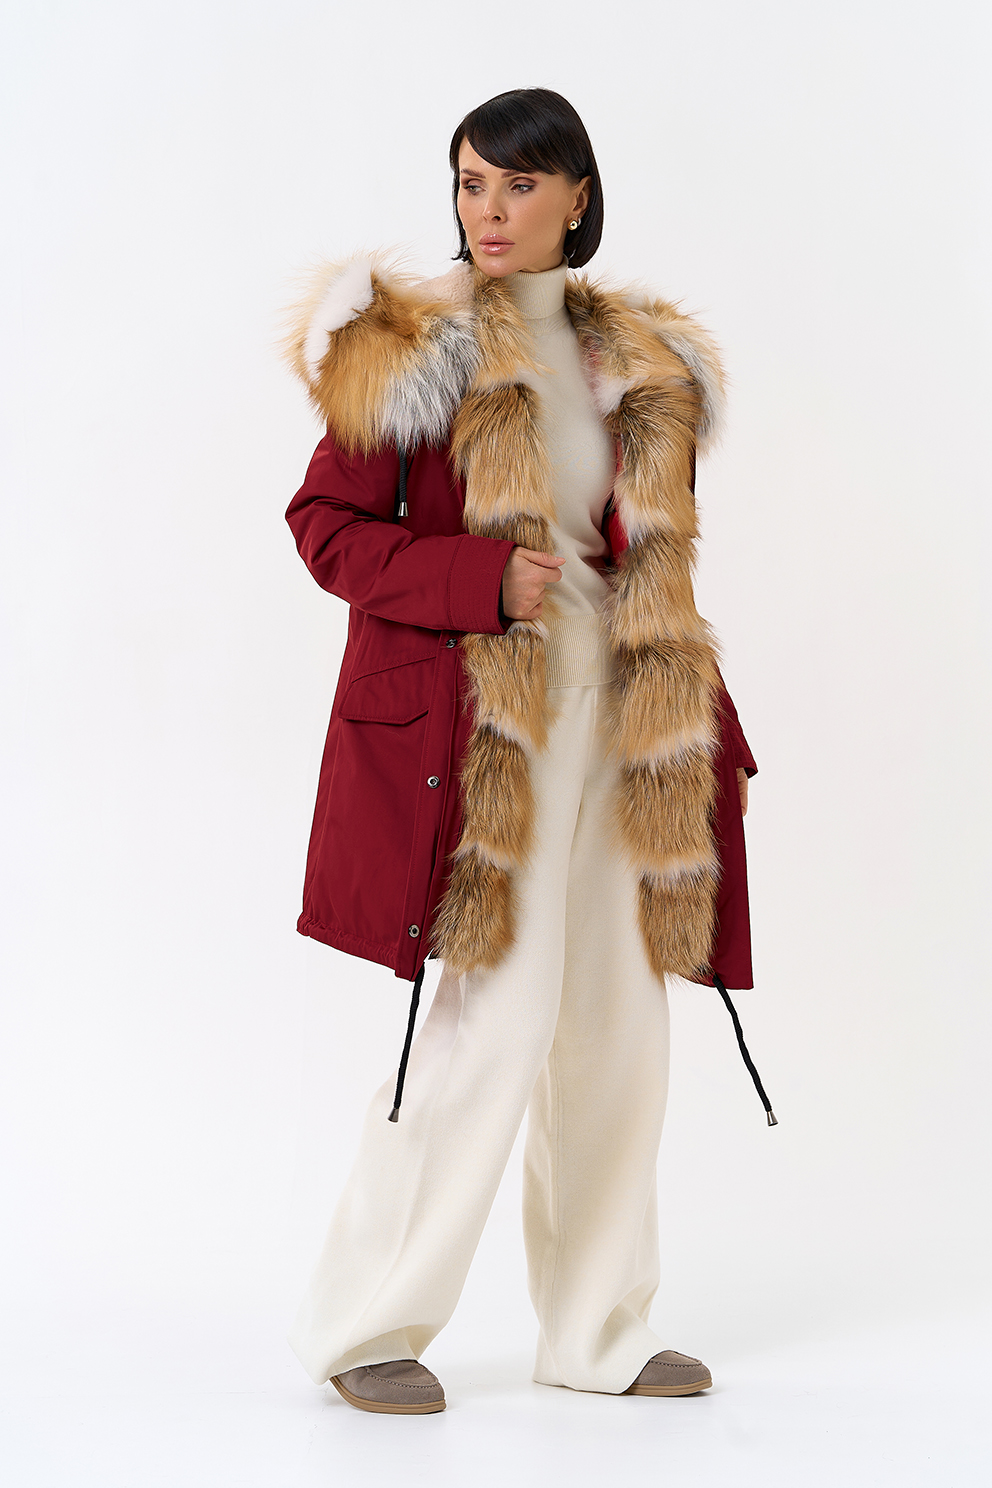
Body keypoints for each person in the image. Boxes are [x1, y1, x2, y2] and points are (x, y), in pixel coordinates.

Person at [281, 87, 764, 1416]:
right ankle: (367, 1325)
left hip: (628, 723)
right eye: (470, 183)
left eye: (516, 184)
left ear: (576, 198)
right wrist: (474, 581)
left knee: (619, 1025)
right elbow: (324, 527)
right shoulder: (415, 349)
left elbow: (644, 569)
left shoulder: (644, 368)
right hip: (491, 722)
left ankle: (597, 1330)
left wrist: (698, 716)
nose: (487, 210)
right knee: (491, 1021)